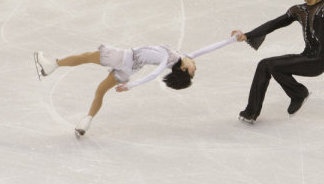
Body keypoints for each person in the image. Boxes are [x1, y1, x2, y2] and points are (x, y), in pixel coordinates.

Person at [34, 36, 237, 137]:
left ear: (184, 68)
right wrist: (232, 39)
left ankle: (52, 65)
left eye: (193, 70)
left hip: (124, 57)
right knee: (100, 91)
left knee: (86, 57)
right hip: (130, 70)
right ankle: (86, 121)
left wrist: (132, 87)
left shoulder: (169, 57)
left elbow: (156, 73)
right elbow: (208, 49)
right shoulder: (181, 58)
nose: (196, 66)